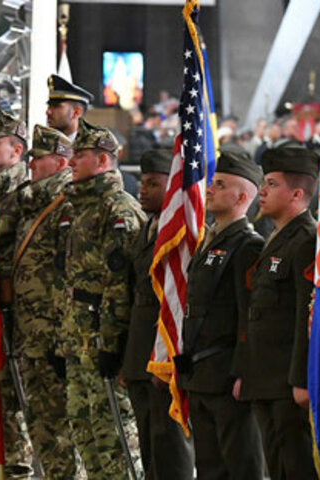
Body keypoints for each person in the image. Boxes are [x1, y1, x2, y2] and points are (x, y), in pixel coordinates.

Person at [57, 121, 145, 478]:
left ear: (104, 160)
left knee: (114, 438)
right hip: (78, 339)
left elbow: (120, 285)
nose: (71, 161)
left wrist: (111, 344)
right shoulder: (80, 206)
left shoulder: (117, 210)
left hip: (102, 340)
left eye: (81, 154)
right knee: (85, 432)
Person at [178, 149, 265, 479]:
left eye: (220, 184)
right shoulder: (209, 241)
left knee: (241, 464)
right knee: (210, 467)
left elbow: (248, 318)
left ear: (242, 196)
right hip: (200, 373)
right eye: (211, 183)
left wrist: (243, 373)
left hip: (227, 376)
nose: (209, 189)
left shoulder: (247, 245)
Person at [239, 146, 318, 479]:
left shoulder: (307, 241)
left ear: (297, 193)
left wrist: (301, 381)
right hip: (265, 380)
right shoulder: (275, 239)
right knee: (276, 466)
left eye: (271, 183)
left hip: (288, 385)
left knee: (296, 467)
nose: (262, 190)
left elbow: (306, 318)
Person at [122, 149, 195, 479]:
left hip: (167, 355)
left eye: (153, 183)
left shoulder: (183, 235)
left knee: (171, 446)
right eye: (142, 182)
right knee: (150, 444)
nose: (142, 189)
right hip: (140, 353)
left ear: (175, 185)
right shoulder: (148, 229)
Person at [12, 124, 76, 478]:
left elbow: (67, 272)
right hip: (30, 331)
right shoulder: (32, 201)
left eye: (39, 159)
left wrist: (60, 334)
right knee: (40, 423)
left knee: (61, 426)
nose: (32, 165)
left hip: (53, 334)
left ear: (61, 161)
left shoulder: (65, 206)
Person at [0, 109, 31, 475]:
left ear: (16, 151)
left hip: (14, 307)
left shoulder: (24, 192)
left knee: (13, 396)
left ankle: (15, 467)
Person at [46, 74, 94, 142]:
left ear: (76, 112)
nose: (48, 112)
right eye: (49, 106)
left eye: (56, 106)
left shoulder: (90, 147)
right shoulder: (43, 143)